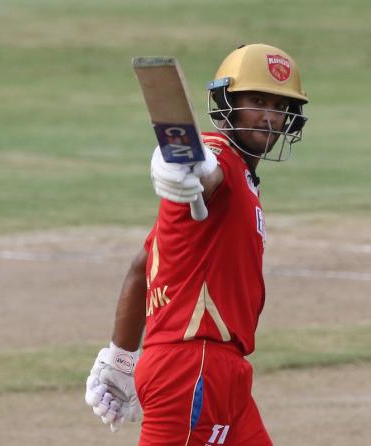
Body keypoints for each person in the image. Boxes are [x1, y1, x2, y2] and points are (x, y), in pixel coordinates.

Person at [85, 43, 309, 445]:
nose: (270, 117)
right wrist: (179, 167)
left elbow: (142, 266)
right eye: (257, 101)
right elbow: (201, 168)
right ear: (227, 103)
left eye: (280, 106)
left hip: (224, 372)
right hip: (192, 366)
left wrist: (121, 359)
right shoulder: (219, 158)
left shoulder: (244, 179)